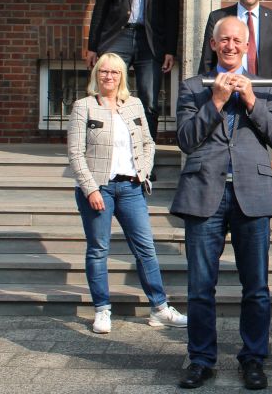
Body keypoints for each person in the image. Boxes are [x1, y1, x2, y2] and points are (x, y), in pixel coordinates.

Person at [171, 16, 272, 390]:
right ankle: (201, 360)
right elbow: (186, 140)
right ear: (213, 44)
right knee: (200, 286)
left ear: (247, 44)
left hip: (251, 195)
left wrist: (251, 100)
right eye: (225, 40)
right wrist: (216, 101)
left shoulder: (267, 86)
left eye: (238, 40)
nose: (231, 46)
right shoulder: (193, 86)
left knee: (256, 286)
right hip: (204, 193)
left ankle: (253, 358)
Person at [67, 52, 187, 336]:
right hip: (99, 189)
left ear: (122, 76)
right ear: (96, 74)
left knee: (145, 248)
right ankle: (102, 309)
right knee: (99, 250)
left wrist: (142, 172)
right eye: (104, 72)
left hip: (131, 188)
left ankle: (159, 308)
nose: (109, 77)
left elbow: (148, 143)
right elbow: (75, 153)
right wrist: (90, 188)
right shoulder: (84, 106)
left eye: (115, 72)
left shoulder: (133, 105)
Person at [86, 0, 180, 138]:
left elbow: (171, 11)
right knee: (108, 95)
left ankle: (145, 159)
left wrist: (169, 49)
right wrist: (92, 46)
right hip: (118, 36)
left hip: (150, 42)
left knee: (149, 101)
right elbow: (100, 7)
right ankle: (108, 150)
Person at [197, 0, 272, 122]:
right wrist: (205, 97)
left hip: (265, 96)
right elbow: (207, 61)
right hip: (227, 95)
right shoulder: (218, 17)